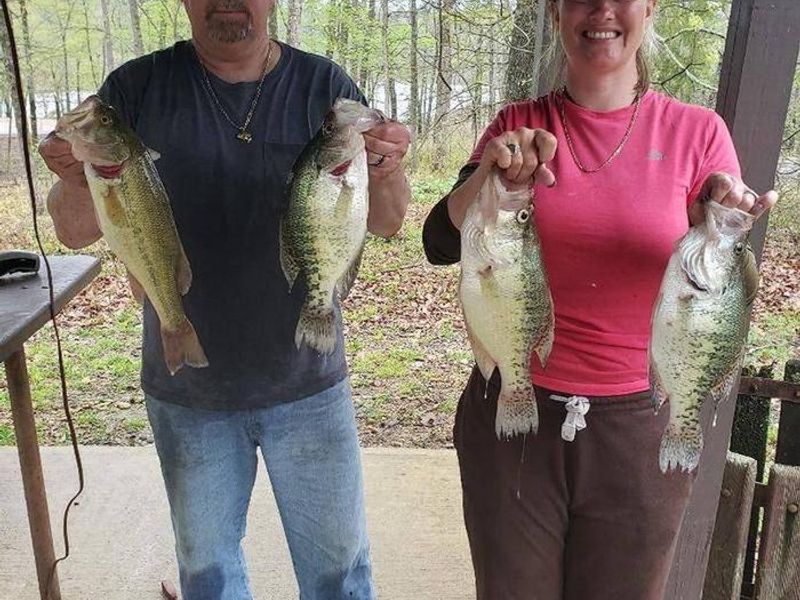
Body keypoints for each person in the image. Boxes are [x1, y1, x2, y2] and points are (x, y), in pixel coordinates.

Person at [39, 1, 411, 598]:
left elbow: (389, 222)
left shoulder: (326, 86)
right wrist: (73, 173)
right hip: (190, 391)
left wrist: (388, 170)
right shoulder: (135, 88)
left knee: (340, 575)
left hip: (308, 380)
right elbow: (73, 229)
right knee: (208, 576)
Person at [422, 0, 777, 598]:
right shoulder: (518, 125)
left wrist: (721, 210)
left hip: (640, 429)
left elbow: (724, 280)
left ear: (650, 9)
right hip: (516, 410)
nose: (602, 11)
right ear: (557, 11)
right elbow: (439, 240)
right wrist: (492, 174)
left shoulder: (697, 132)